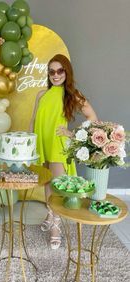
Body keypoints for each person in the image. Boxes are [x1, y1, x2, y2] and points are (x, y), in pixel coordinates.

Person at [29, 54, 98, 249]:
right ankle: (50, 215)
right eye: (52, 71)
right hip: (41, 142)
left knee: (58, 185)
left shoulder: (72, 94)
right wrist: (29, 142)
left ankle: (56, 228)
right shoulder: (41, 94)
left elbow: (92, 117)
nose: (56, 75)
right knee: (47, 183)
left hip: (58, 143)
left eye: (60, 71)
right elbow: (34, 120)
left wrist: (72, 134)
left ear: (66, 72)